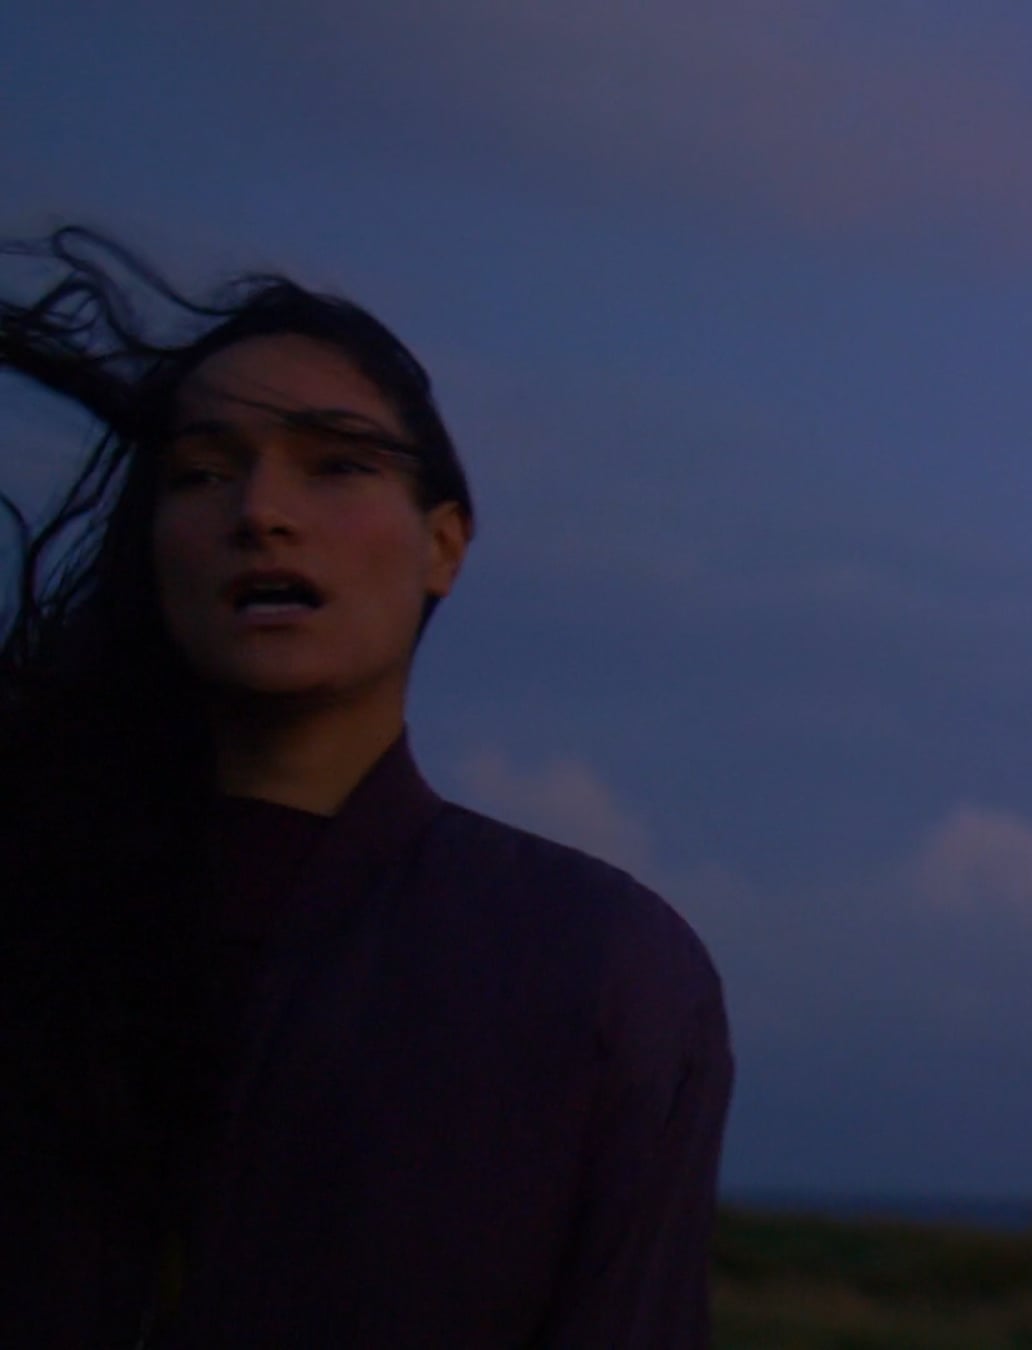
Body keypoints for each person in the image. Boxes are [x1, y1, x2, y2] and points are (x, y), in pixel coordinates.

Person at [0, 228, 732, 1347]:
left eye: (337, 463)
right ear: (153, 546)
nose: (260, 511)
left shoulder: (602, 969)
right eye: (201, 473)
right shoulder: (37, 908)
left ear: (444, 544)